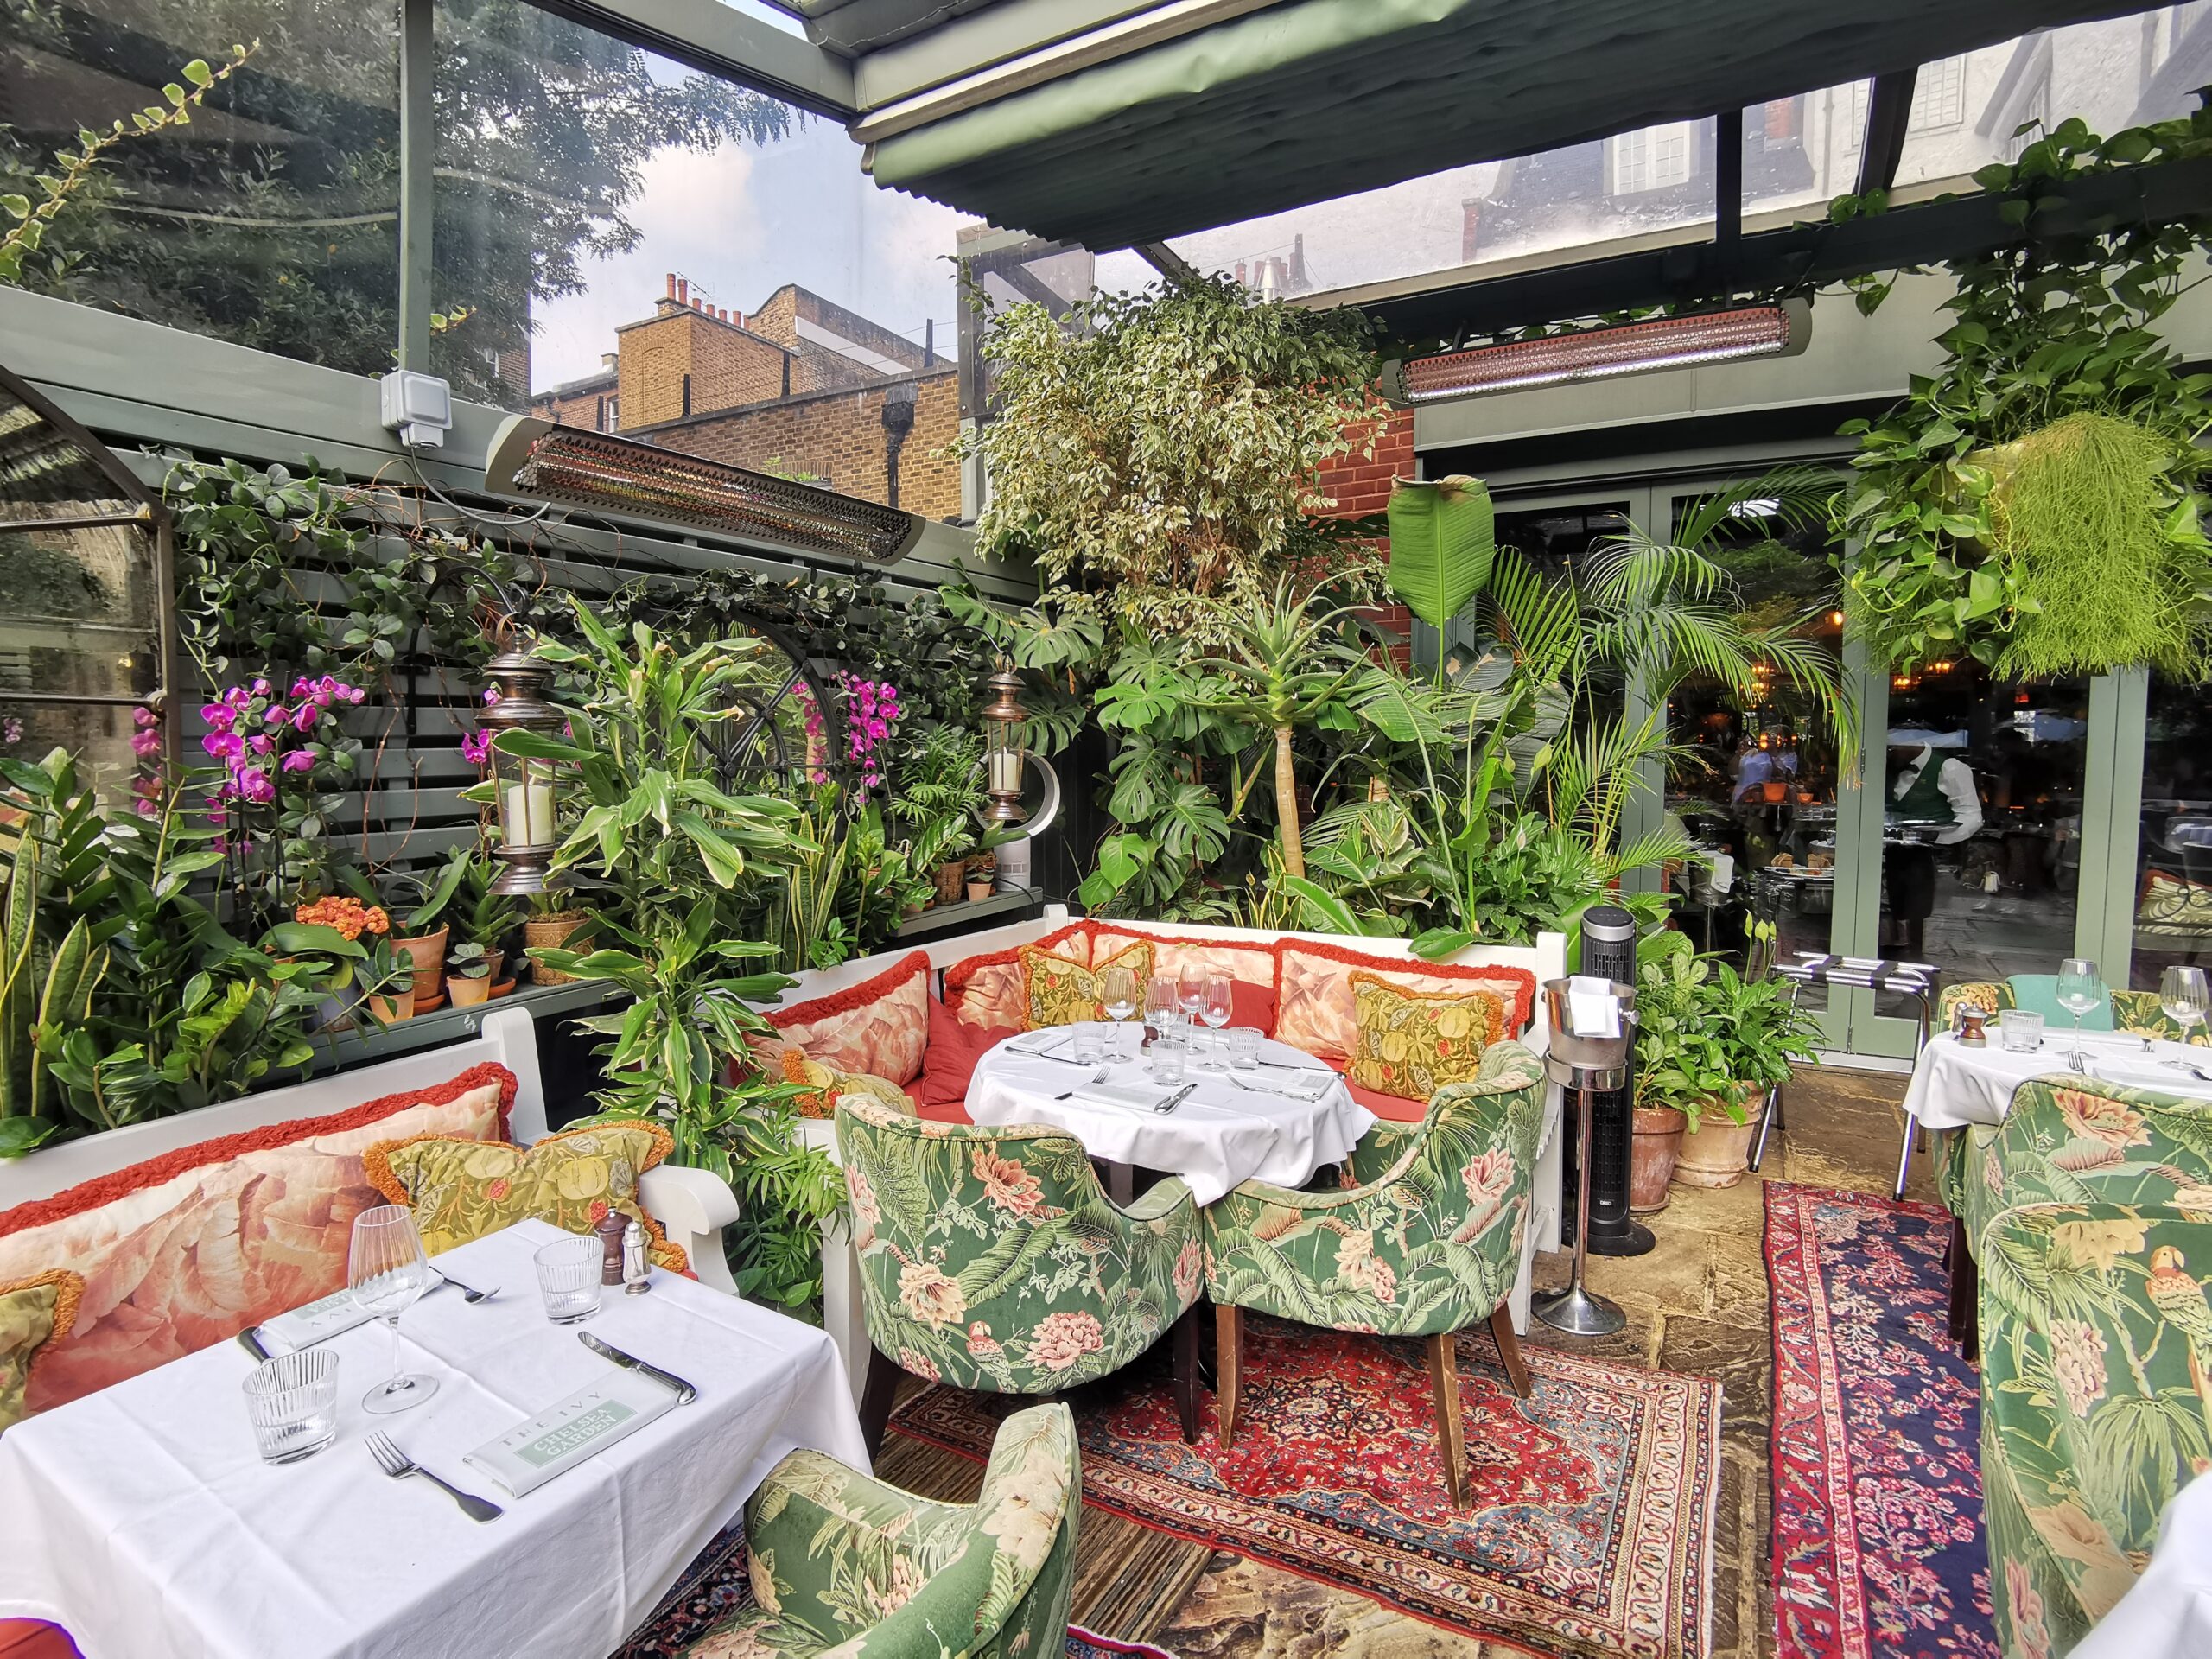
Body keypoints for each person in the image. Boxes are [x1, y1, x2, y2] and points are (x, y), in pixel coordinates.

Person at [1884, 740, 1983, 955]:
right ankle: (1897, 948)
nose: (1891, 750)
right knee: (1896, 905)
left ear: (1913, 742)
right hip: (1894, 850)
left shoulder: (1950, 768)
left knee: (1921, 908)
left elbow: (1972, 816)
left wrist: (1938, 836)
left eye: (1894, 745)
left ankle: (1917, 953)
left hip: (1934, 853)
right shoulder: (1889, 767)